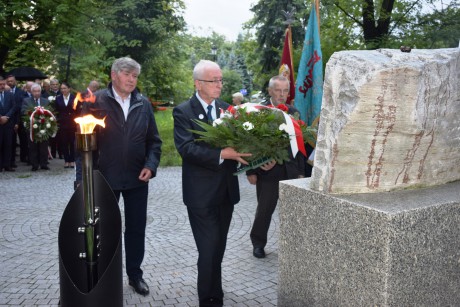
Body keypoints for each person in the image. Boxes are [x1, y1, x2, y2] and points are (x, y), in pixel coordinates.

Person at [173, 60, 252, 306]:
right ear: (198, 83)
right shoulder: (183, 111)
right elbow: (186, 149)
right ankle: (208, 298)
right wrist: (221, 154)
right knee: (208, 248)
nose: (219, 84)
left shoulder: (227, 109)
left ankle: (215, 289)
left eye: (220, 80)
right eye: (214, 80)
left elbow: (238, 144)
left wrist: (256, 159)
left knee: (218, 246)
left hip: (226, 191)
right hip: (200, 194)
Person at [80, 57, 162, 296]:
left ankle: (135, 276)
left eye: (135, 76)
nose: (131, 80)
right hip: (105, 177)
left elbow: (154, 141)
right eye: (127, 74)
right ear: (114, 75)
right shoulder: (96, 101)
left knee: (136, 229)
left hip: (138, 178)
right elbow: (82, 144)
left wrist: (151, 165)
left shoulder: (143, 104)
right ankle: (103, 276)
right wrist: (83, 177)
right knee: (104, 229)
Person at [246, 75, 306, 259]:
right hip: (267, 172)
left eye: (285, 90)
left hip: (291, 171)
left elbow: (301, 143)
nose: (282, 94)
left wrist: (302, 172)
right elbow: (250, 142)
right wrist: (252, 170)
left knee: (293, 212)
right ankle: (258, 244)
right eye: (278, 90)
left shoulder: (294, 112)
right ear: (270, 90)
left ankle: (293, 247)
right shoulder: (259, 111)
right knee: (264, 211)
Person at [21, 83, 51, 171]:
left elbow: (50, 112)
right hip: (31, 127)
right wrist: (32, 114)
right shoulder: (26, 100)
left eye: (38, 91)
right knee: (32, 146)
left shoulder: (46, 101)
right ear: (31, 91)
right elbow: (23, 111)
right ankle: (34, 164)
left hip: (43, 127)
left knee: (43, 146)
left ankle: (44, 164)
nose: (37, 93)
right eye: (35, 91)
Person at [55, 81, 76, 168]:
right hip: (62, 123)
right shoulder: (58, 98)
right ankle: (66, 160)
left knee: (72, 142)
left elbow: (77, 111)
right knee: (64, 142)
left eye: (64, 88)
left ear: (69, 89)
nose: (63, 90)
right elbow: (57, 110)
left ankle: (72, 160)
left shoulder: (74, 98)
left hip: (72, 123)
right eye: (61, 89)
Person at [0, 76, 17, 172]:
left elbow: (14, 107)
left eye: (3, 84)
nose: (2, 86)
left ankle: (7, 165)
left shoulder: (9, 95)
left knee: (8, 145)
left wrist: (6, 117)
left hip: (8, 124)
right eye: (0, 84)